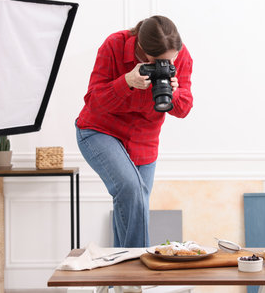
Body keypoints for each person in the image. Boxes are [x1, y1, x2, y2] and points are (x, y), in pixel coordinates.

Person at [75, 15, 193, 248]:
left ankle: (121, 281)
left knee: (133, 206)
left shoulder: (181, 55)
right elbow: (93, 101)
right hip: (99, 131)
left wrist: (174, 92)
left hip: (143, 140)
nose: (166, 64)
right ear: (141, 48)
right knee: (132, 190)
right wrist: (125, 81)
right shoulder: (115, 45)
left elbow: (184, 108)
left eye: (171, 60)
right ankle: (138, 273)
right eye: (159, 61)